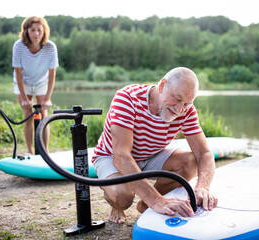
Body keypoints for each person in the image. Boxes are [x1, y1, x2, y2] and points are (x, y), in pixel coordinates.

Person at [92, 67, 218, 223]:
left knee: (190, 162)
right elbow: (121, 156)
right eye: (177, 99)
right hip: (112, 156)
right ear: (162, 85)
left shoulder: (186, 111)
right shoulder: (127, 98)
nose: (180, 110)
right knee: (123, 196)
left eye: (186, 103)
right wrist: (156, 200)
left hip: (150, 155)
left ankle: (145, 205)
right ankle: (122, 204)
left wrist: (203, 187)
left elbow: (204, 153)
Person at [12, 16, 59, 155]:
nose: (36, 34)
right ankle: (29, 151)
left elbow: (52, 75)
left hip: (41, 82)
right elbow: (18, 73)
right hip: (23, 82)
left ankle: (45, 151)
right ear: (26, 31)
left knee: (44, 115)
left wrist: (47, 98)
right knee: (28, 114)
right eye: (32, 30)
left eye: (39, 30)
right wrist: (25, 98)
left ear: (44, 31)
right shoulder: (19, 46)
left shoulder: (50, 47)